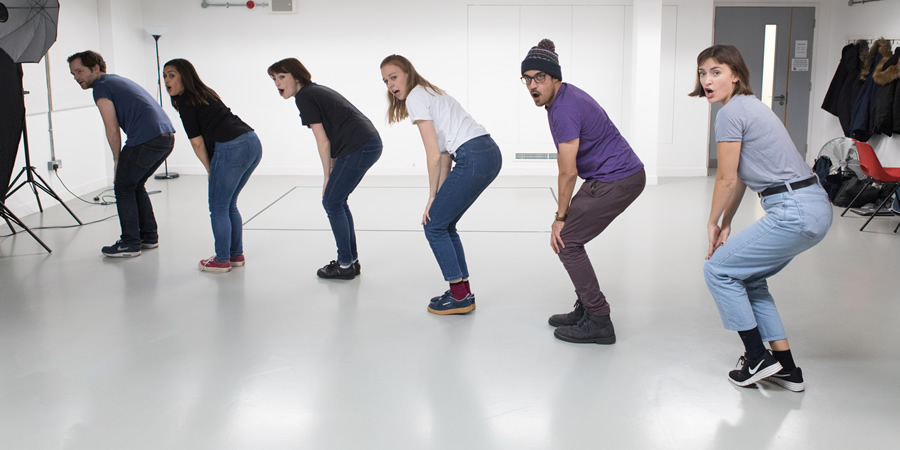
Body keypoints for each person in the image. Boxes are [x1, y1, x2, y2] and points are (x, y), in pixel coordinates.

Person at [690, 44, 832, 391]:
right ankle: (786, 368)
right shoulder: (750, 107)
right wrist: (726, 223)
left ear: (735, 75)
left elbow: (724, 178)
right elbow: (739, 177)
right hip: (811, 207)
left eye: (716, 72)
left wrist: (710, 222)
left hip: (793, 210)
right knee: (749, 278)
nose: (707, 80)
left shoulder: (729, 113)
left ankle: (756, 358)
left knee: (718, 269)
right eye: (702, 73)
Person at [520, 39, 645, 344]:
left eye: (539, 78)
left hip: (618, 178)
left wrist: (560, 217)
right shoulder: (561, 100)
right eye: (527, 78)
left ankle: (599, 319)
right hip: (608, 177)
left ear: (555, 79)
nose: (532, 85)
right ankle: (587, 309)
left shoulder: (564, 109)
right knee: (569, 240)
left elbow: (567, 171)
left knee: (567, 240)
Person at [380, 55, 502, 315]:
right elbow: (445, 155)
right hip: (488, 152)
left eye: (393, 77)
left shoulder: (415, 97)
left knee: (433, 225)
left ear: (407, 73)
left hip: (474, 155)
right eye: (386, 81)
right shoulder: (431, 93)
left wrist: (431, 197)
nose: (390, 85)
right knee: (444, 224)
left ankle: (460, 297)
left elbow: (433, 154)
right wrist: (438, 195)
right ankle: (463, 291)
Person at [268, 58, 382, 280]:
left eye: (282, 77)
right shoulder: (314, 91)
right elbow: (331, 136)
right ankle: (351, 261)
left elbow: (323, 142)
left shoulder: (304, 97)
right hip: (367, 143)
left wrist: (327, 177)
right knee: (337, 200)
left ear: (297, 76)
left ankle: (345, 264)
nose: (277, 83)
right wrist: (331, 172)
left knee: (331, 201)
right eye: (274, 79)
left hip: (359, 146)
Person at [68, 50, 175, 257]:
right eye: (73, 74)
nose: (76, 78)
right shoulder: (115, 81)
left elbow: (111, 127)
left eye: (79, 71)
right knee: (134, 186)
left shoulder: (101, 87)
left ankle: (130, 243)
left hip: (147, 138)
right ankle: (148, 237)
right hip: (165, 136)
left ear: (95, 68)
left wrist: (118, 159)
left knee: (123, 187)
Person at [164, 59, 262, 272]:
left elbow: (197, 143)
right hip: (252, 141)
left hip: (232, 147)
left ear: (185, 76)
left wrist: (211, 169)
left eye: (171, 75)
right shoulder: (206, 93)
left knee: (218, 206)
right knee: (229, 204)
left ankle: (221, 260)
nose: (166, 80)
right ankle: (236, 255)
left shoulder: (187, 102)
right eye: (164, 76)